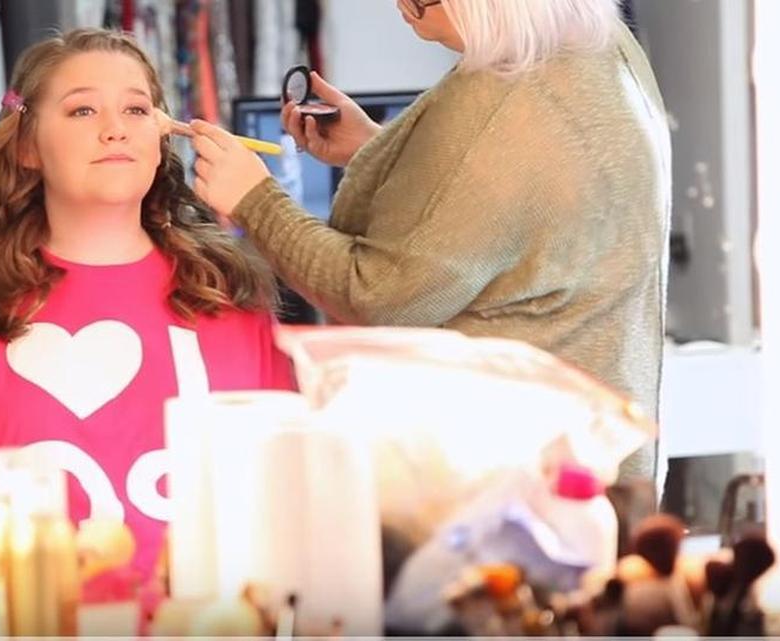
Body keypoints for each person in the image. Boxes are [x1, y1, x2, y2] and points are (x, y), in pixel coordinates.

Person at [0, 29, 295, 585]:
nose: (115, 129)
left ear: (161, 139)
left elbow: (292, 501)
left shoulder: (228, 293)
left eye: (136, 108)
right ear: (26, 146)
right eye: (82, 110)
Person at [189, 0, 671, 480]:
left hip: (513, 483)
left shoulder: (502, 106)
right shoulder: (599, 50)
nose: (404, 7)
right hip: (599, 448)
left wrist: (256, 200)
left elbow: (376, 294)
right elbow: (498, 211)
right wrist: (381, 152)